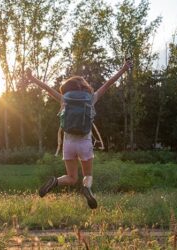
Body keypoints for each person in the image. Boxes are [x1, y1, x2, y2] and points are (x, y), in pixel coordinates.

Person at [25, 59, 133, 209]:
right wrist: (123, 69)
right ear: (83, 86)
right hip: (84, 143)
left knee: (71, 177)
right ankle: (87, 189)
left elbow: (47, 88)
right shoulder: (91, 98)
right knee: (87, 176)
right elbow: (108, 84)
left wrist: (32, 78)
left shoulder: (64, 100)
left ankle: (55, 181)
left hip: (68, 144)